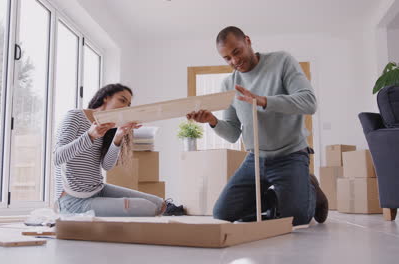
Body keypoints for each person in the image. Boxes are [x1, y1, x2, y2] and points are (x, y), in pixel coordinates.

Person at [187, 26, 328, 225]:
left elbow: (309, 102)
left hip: (290, 155)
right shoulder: (229, 84)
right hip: (255, 159)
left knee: (297, 219)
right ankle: (277, 198)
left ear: (247, 41)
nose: (234, 61)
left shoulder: (281, 61)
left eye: (237, 51)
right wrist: (212, 121)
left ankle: (310, 187)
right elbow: (233, 134)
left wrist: (263, 101)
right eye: (227, 58)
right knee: (222, 213)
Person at [54, 83, 166, 216]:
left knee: (160, 204)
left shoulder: (109, 127)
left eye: (128, 104)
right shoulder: (74, 117)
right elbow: (57, 158)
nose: (125, 107)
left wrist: (118, 137)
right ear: (106, 98)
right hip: (72, 200)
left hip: (98, 190)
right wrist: (90, 136)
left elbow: (107, 165)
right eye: (122, 100)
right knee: (146, 207)